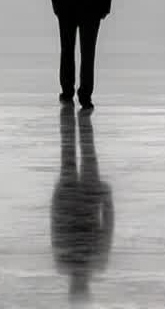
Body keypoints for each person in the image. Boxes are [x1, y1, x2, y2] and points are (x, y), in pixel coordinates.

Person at [50, 105, 114, 300]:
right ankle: (76, 113)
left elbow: (56, 227)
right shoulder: (84, 262)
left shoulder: (93, 262)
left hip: (82, 197)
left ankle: (77, 113)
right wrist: (107, 199)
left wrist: (106, 199)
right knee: (74, 150)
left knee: (81, 150)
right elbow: (56, 227)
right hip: (83, 197)